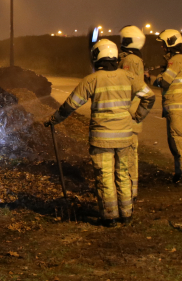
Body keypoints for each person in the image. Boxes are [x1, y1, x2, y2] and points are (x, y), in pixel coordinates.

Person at [45, 39, 155, 227]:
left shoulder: (92, 80)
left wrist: (54, 119)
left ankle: (109, 216)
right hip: (124, 137)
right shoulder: (129, 77)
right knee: (123, 173)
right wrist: (137, 117)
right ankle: (127, 214)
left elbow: (70, 105)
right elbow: (149, 97)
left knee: (105, 177)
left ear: (97, 57)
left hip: (101, 138)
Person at [153, 29, 182, 184]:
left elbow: (164, 82)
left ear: (170, 42)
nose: (162, 47)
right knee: (172, 140)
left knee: (177, 138)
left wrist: (156, 77)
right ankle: (179, 172)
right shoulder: (177, 60)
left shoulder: (176, 60)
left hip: (176, 104)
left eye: (163, 43)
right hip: (173, 104)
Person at [118, 25, 147, 198]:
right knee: (129, 153)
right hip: (131, 113)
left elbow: (126, 86)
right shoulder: (135, 59)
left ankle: (129, 191)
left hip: (128, 114)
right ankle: (130, 189)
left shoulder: (130, 61)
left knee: (128, 154)